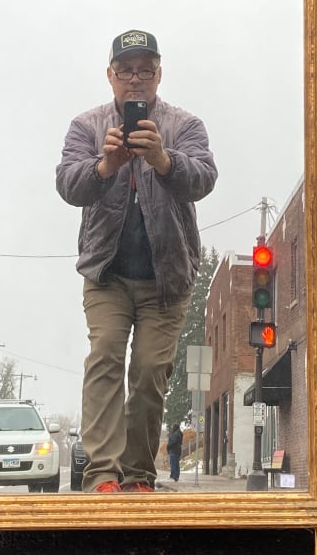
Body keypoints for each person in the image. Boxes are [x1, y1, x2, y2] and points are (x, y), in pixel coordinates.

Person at [55, 30, 217, 493]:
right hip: (106, 274)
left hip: (167, 279)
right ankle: (103, 475)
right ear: (110, 75)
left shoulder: (185, 125)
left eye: (146, 70)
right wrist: (105, 165)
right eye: (126, 70)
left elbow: (203, 179)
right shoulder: (86, 128)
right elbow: (68, 185)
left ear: (159, 74)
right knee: (104, 355)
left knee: (148, 372)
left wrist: (163, 160)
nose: (135, 79)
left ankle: (139, 476)